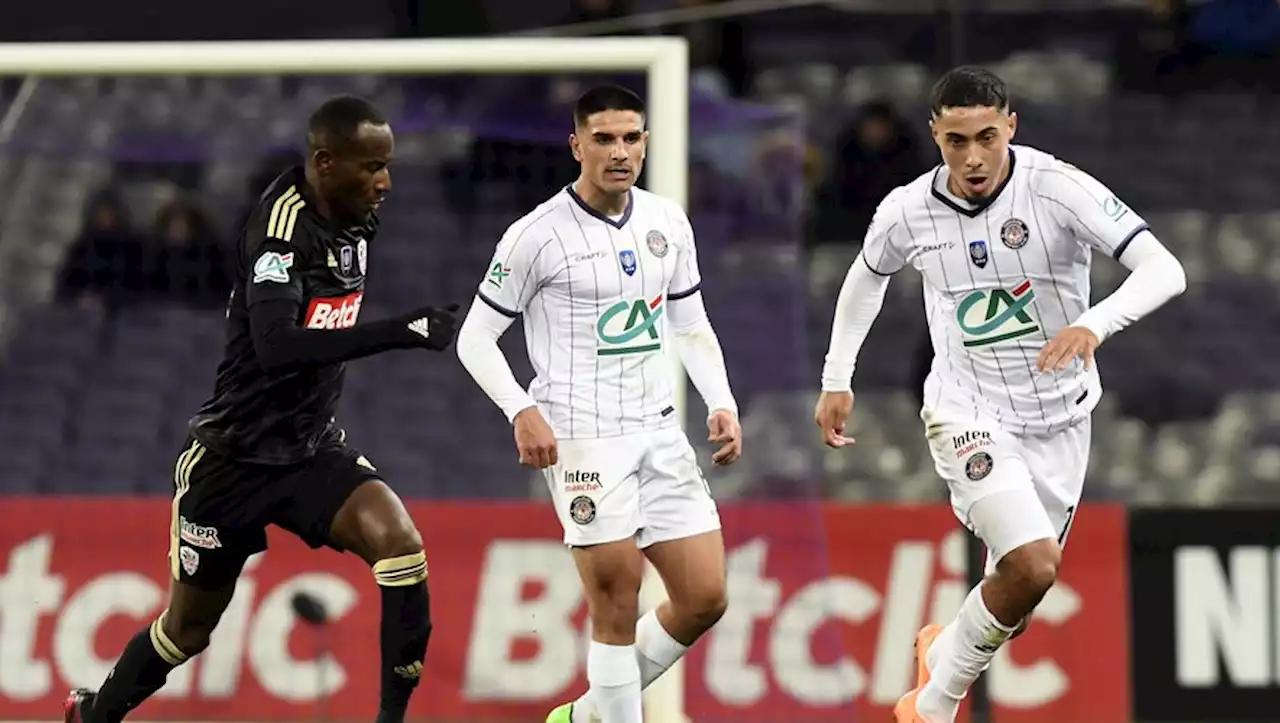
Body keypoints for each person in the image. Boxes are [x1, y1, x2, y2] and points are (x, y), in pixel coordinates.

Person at [63, 95, 460, 723]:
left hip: (309, 450)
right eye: (371, 167)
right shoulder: (279, 232)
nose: (385, 182)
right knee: (188, 631)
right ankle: (95, 715)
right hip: (232, 461)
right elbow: (278, 348)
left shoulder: (359, 217)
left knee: (402, 549)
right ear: (325, 163)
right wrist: (400, 330)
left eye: (388, 166)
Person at [813, 67, 1186, 723]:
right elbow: (865, 278)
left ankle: (942, 647)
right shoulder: (907, 209)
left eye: (987, 136)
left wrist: (1092, 322)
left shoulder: (1059, 189)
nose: (974, 156)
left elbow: (1164, 268)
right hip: (969, 412)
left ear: (1010, 125)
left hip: (1061, 420)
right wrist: (837, 376)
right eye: (956, 141)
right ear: (935, 135)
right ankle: (930, 707)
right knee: (1035, 564)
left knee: (1013, 599)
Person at [455, 84, 741, 723]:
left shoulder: (667, 221)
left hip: (660, 430)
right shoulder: (535, 237)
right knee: (617, 600)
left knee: (704, 596)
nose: (620, 151)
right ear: (576, 144)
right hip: (583, 437)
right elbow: (474, 339)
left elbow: (690, 324)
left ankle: (587, 716)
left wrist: (720, 400)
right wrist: (519, 409)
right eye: (605, 138)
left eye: (632, 137)